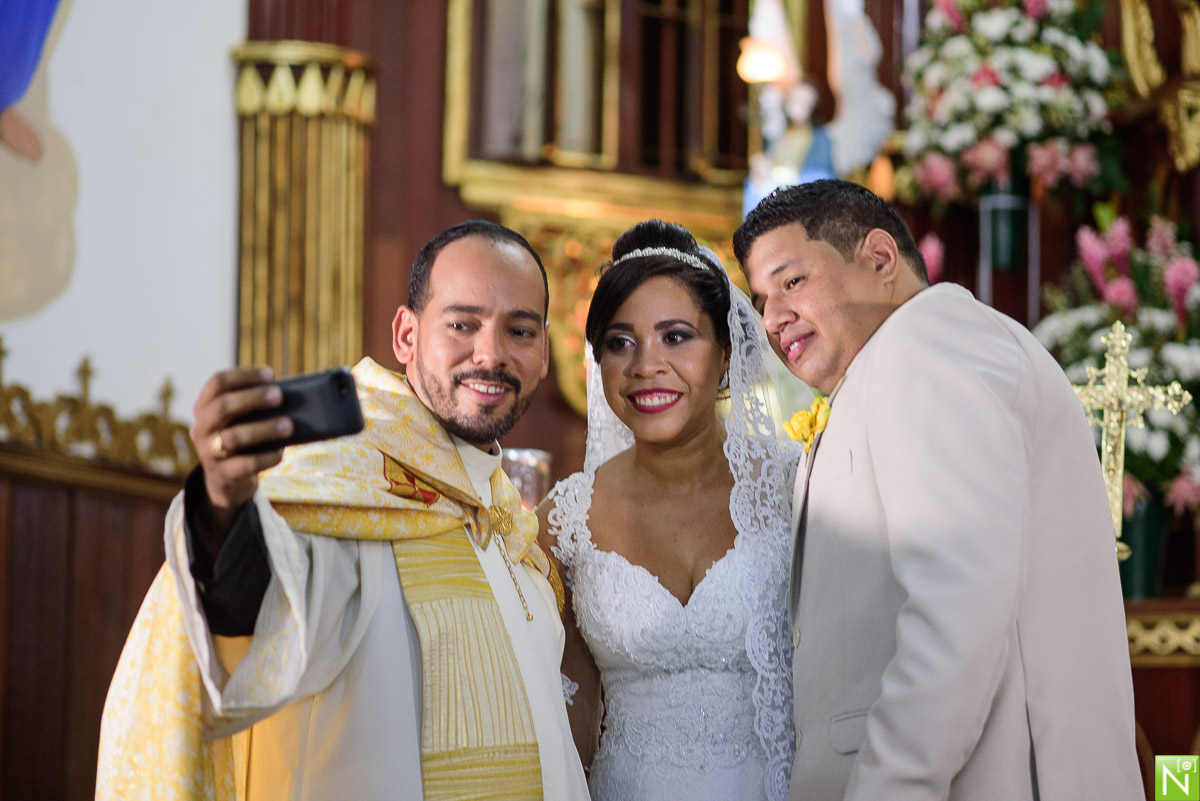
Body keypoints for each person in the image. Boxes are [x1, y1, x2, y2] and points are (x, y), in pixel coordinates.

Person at [96, 220, 590, 801]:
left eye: (521, 331)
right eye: (462, 324)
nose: (491, 353)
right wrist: (225, 502)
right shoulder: (345, 484)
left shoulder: (512, 531)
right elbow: (251, 604)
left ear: (543, 356)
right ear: (406, 335)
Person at [734, 179, 1142, 801]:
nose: (772, 318)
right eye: (761, 298)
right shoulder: (891, 364)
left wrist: (892, 785)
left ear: (879, 259)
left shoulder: (930, 346)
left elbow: (959, 601)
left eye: (791, 282)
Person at [539, 220, 802, 801]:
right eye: (620, 342)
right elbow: (569, 706)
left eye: (676, 337)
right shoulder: (566, 518)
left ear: (727, 355)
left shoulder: (796, 485)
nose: (645, 366)